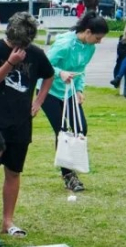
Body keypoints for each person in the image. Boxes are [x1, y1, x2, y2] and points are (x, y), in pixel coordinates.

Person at [0, 12, 54, 239]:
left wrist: (38, 101)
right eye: (16, 43)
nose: (20, 47)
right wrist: (11, 62)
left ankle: (7, 221)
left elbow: (49, 75)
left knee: (13, 172)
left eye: (24, 44)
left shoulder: (35, 53)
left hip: (20, 123)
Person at [41, 12, 109, 192]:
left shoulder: (89, 48)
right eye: (98, 38)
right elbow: (44, 65)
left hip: (69, 91)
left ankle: (74, 164)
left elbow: (81, 69)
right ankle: (69, 176)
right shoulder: (64, 44)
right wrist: (60, 73)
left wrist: (79, 89)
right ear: (87, 32)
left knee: (81, 128)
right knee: (62, 131)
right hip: (49, 91)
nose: (99, 42)